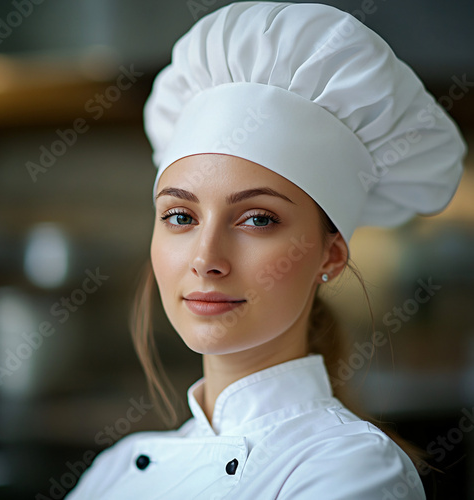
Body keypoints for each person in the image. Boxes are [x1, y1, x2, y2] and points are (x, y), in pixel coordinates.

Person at [66, 2, 466, 499]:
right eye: (181, 217)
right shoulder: (115, 471)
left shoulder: (352, 469)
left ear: (331, 255)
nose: (206, 257)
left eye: (258, 219)